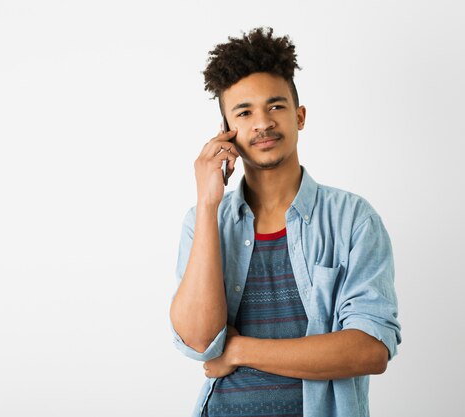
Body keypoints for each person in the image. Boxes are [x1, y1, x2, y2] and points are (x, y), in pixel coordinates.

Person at [170, 27, 401, 417]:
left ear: (300, 116)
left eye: (275, 106)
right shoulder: (203, 221)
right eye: (244, 112)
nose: (262, 122)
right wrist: (208, 205)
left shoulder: (353, 220)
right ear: (226, 131)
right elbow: (198, 340)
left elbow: (369, 349)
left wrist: (241, 349)